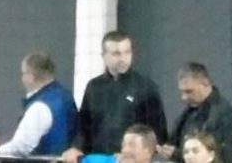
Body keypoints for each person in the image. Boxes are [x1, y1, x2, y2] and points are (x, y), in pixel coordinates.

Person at [61, 31, 167, 161]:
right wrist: (76, 147)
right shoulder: (94, 87)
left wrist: (130, 155)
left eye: (127, 52)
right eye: (116, 54)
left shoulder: (146, 87)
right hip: (97, 158)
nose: (123, 58)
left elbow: (157, 134)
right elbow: (84, 126)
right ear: (104, 56)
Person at [0, 53, 77, 157]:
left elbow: (21, 146)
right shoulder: (66, 96)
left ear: (30, 77)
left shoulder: (39, 107)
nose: (22, 78)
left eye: (23, 73)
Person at [165, 65, 232, 163]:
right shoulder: (187, 114)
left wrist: (178, 155)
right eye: (182, 92)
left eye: (189, 91)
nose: (184, 97)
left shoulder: (221, 114)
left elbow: (228, 156)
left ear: (205, 83)